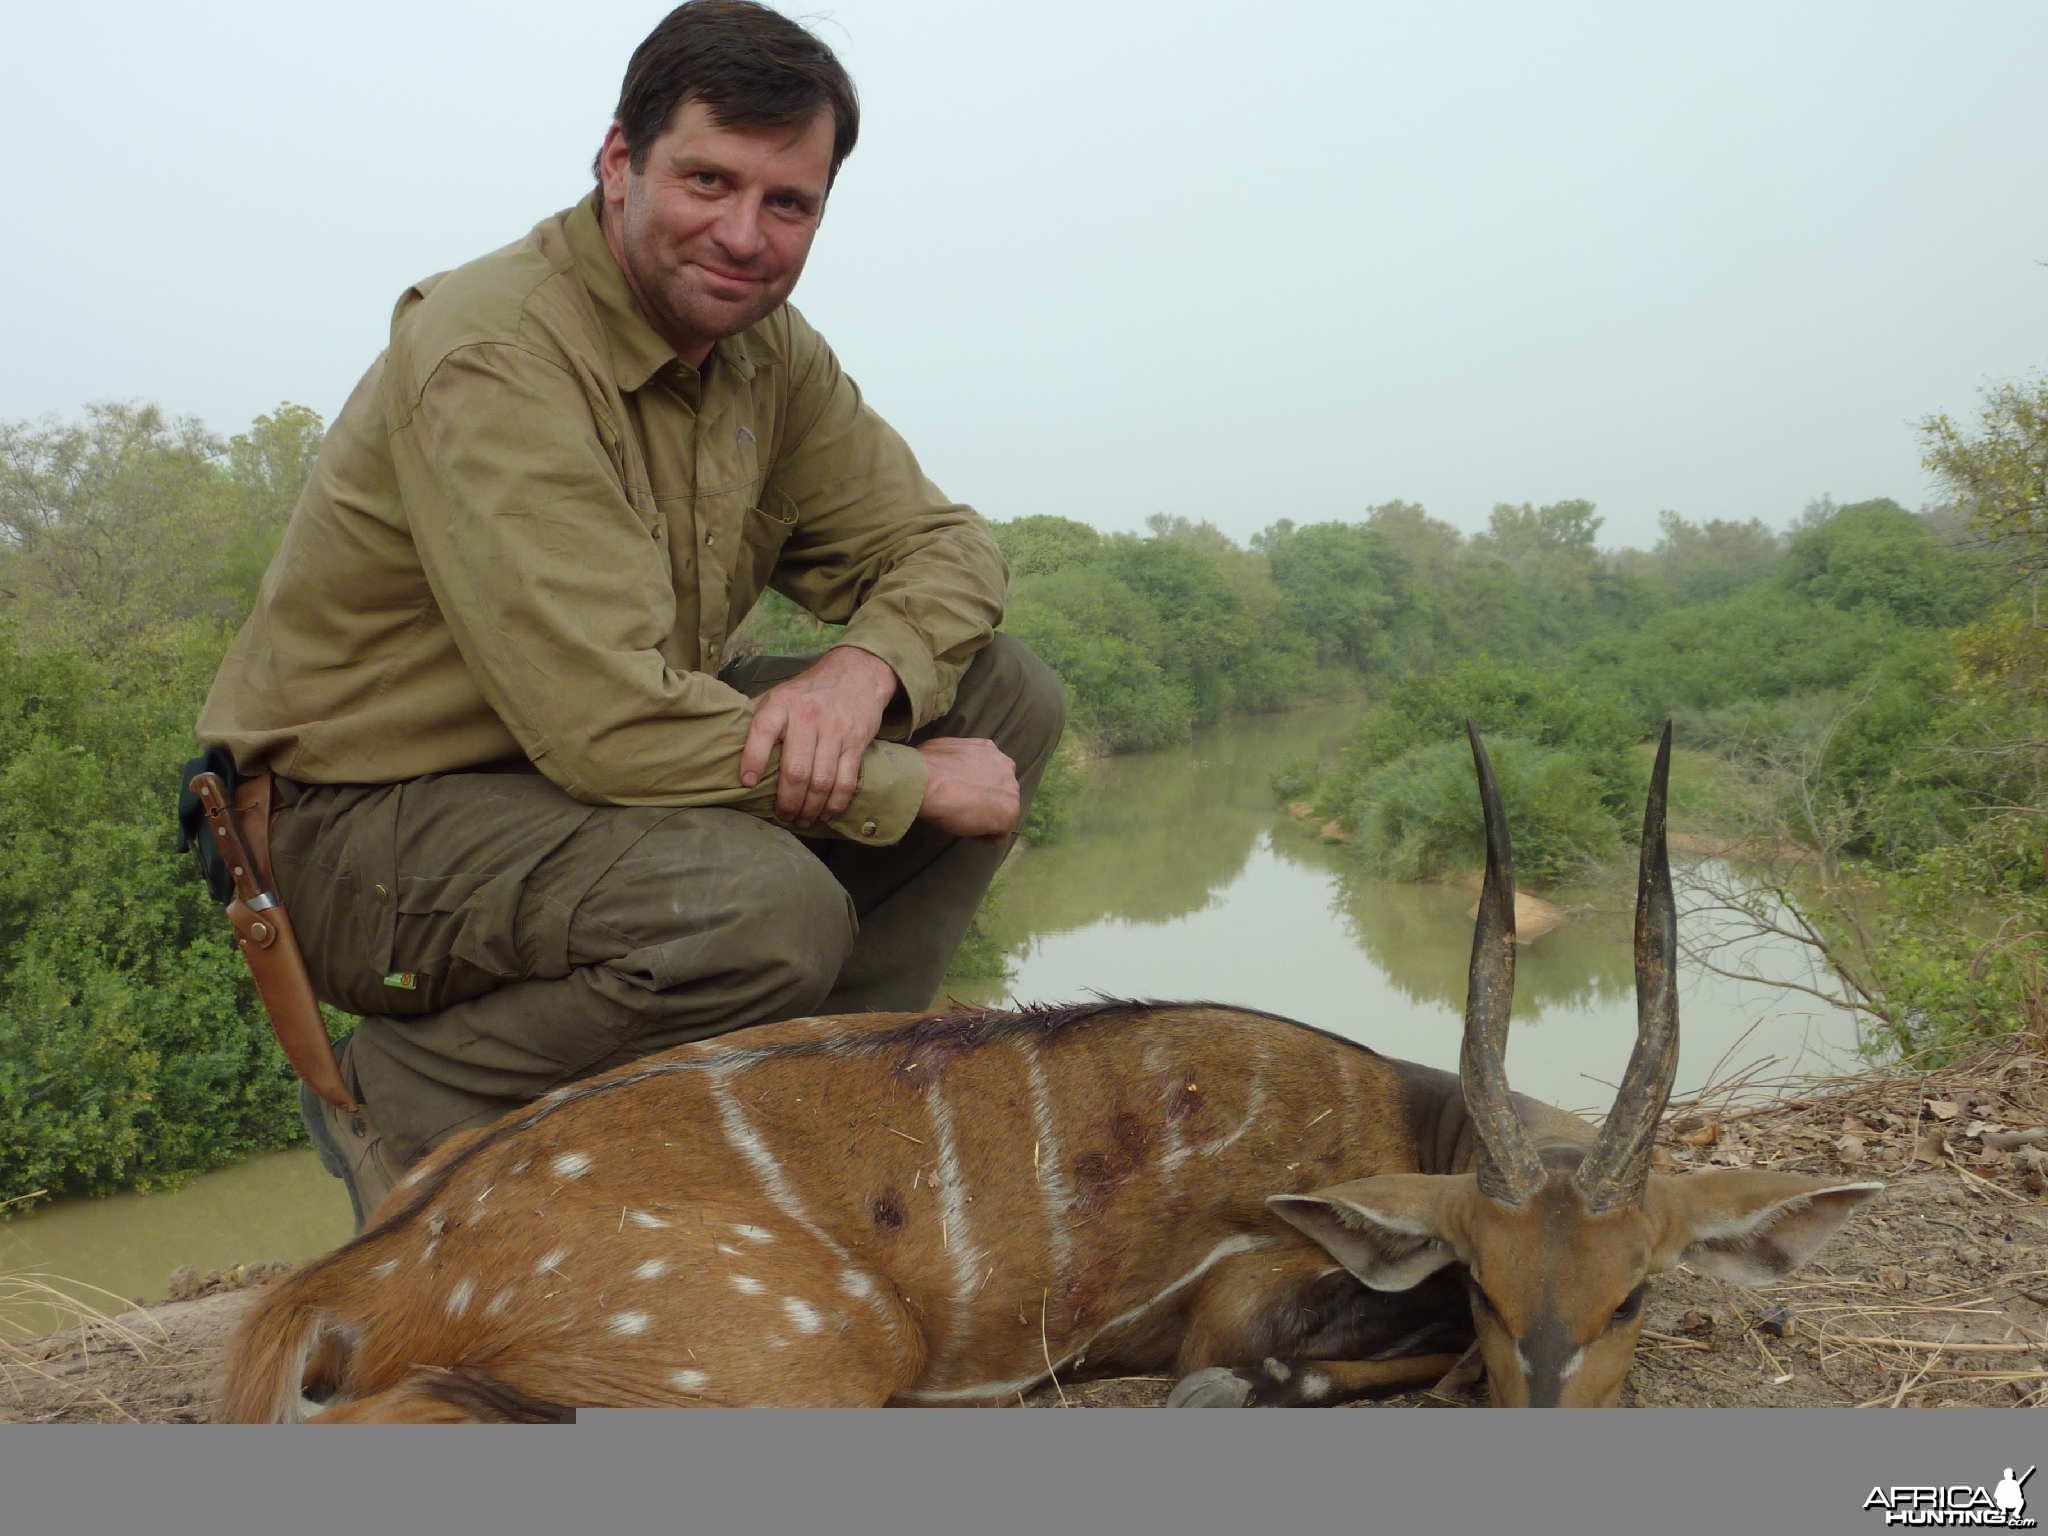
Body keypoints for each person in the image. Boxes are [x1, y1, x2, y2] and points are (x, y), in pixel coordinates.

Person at [196, 0, 1063, 1229]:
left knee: (1001, 691)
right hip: (366, 825)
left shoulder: (770, 352)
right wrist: (905, 785)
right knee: (759, 908)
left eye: (788, 203)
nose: (744, 235)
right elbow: (606, 729)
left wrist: (862, 671)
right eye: (706, 180)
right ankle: (408, 1102)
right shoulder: (495, 351)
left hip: (580, 783)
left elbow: (944, 547)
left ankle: (822, 1104)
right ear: (618, 162)